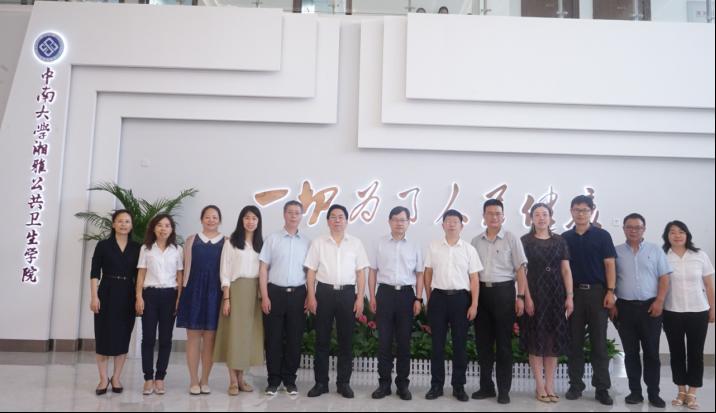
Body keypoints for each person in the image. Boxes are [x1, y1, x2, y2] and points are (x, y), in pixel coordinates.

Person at [304, 204, 370, 399]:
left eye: (341, 216)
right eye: (333, 216)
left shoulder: (355, 243)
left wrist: (360, 298)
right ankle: (321, 383)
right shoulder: (318, 242)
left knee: (345, 341)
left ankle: (343, 383)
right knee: (321, 340)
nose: (337, 220)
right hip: (324, 292)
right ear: (328, 221)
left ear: (346, 220)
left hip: (347, 293)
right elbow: (311, 271)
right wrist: (311, 295)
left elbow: (361, 273)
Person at [470, 199, 527, 404]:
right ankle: (486, 387)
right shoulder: (475, 241)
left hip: (504, 293)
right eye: (490, 213)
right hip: (481, 294)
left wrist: (520, 297)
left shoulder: (511, 238)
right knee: (483, 344)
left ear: (503, 216)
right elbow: (471, 272)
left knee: (503, 345)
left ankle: (504, 390)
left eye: (497, 213)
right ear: (484, 216)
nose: (494, 217)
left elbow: (520, 269)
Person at [561, 195, 616, 405]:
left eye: (584, 210)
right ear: (571, 212)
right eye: (576, 210)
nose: (580, 213)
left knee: (599, 344)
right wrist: (566, 296)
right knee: (574, 343)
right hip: (574, 294)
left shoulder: (602, 236)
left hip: (597, 294)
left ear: (591, 211)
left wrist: (610, 291)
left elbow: (610, 265)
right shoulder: (565, 237)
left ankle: (602, 388)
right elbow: (562, 269)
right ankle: (575, 385)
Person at [613, 213, 671, 408]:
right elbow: (610, 279)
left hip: (651, 307)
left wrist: (659, 301)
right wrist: (613, 304)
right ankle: (635, 392)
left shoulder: (655, 250)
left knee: (652, 353)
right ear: (623, 229)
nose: (633, 231)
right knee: (630, 353)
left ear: (644, 229)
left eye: (637, 227)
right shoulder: (616, 252)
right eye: (629, 227)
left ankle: (654, 393)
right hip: (625, 308)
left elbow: (664, 278)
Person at [424, 209, 482, 402]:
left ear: (461, 226)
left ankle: (459, 386)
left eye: (455, 221)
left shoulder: (469, 249)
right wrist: (429, 297)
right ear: (443, 225)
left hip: (461, 300)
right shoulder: (433, 246)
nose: (451, 224)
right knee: (437, 345)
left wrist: (474, 304)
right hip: (438, 298)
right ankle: (436, 386)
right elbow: (428, 273)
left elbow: (474, 278)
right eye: (448, 221)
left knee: (460, 345)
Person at [368, 206, 424, 401]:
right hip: (385, 294)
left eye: (403, 220)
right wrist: (372, 296)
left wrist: (418, 298)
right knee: (384, 342)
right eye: (396, 219)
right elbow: (372, 271)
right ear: (389, 221)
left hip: (406, 296)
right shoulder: (379, 243)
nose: (399, 223)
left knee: (404, 343)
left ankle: (402, 385)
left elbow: (419, 274)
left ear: (408, 222)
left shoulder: (415, 245)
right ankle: (384, 384)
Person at [520, 203, 574, 403]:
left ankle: (550, 385)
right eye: (537, 214)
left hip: (556, 295)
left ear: (551, 217)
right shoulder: (525, 241)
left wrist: (569, 296)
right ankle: (540, 386)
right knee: (536, 339)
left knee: (552, 340)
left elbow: (566, 270)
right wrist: (526, 297)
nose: (541, 218)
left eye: (545, 214)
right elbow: (521, 272)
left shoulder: (560, 241)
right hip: (534, 294)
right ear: (531, 218)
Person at [259, 200, 311, 396]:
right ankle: (273, 380)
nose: (293, 216)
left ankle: (290, 380)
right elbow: (263, 269)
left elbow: (310, 272)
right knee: (272, 339)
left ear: (301, 216)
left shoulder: (307, 242)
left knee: (294, 339)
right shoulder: (272, 239)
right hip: (274, 293)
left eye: (297, 212)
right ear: (284, 214)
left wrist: (310, 295)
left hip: (298, 294)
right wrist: (264, 296)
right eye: (290, 212)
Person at [661, 220, 714, 410]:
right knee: (676, 353)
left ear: (687, 235)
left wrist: (713, 308)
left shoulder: (700, 255)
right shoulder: (662, 256)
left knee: (695, 353)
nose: (677, 235)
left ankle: (692, 392)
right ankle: (680, 390)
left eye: (681, 231)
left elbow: (709, 285)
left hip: (698, 311)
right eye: (672, 232)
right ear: (667, 236)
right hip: (671, 312)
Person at [214, 205, 264, 396]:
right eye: (247, 218)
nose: (250, 221)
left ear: (258, 222)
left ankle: (242, 379)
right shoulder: (231, 242)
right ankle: (233, 381)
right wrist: (227, 298)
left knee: (247, 337)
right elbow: (225, 272)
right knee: (234, 335)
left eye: (254, 218)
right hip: (236, 290)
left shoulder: (261, 244)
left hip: (254, 293)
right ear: (241, 220)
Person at [89, 209, 141, 395]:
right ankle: (103, 379)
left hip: (128, 294)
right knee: (103, 336)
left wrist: (139, 297)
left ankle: (116, 377)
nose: (123, 224)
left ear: (131, 225)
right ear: (113, 224)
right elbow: (95, 272)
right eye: (120, 221)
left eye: (127, 221)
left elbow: (140, 276)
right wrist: (94, 296)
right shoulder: (103, 245)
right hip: (106, 292)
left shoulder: (138, 248)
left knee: (122, 337)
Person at [176, 205, 225, 395]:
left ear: (219, 220)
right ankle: (193, 380)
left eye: (214, 217)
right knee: (193, 338)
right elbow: (182, 269)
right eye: (207, 217)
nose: (211, 220)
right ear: (202, 219)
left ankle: (205, 380)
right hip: (193, 291)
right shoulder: (191, 240)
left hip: (215, 293)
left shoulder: (227, 242)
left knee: (210, 339)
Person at [135, 213, 184, 395]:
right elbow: (141, 274)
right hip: (150, 295)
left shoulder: (177, 250)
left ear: (172, 229)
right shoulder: (146, 249)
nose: (163, 228)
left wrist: (179, 298)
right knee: (148, 338)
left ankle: (160, 378)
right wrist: (139, 297)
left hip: (170, 295)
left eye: (167, 225)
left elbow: (180, 276)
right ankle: (148, 378)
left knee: (165, 339)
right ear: (154, 228)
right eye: (160, 225)